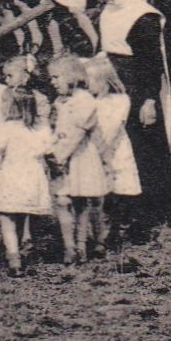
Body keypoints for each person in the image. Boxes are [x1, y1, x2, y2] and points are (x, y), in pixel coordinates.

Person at [95, 0, 171, 226]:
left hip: (138, 85)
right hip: (114, 80)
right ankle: (123, 202)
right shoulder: (109, 12)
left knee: (146, 144)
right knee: (118, 143)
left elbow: (150, 63)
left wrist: (149, 101)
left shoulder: (143, 17)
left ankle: (159, 208)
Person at [0, 88, 54, 275]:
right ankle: (22, 251)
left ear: (10, 106)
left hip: (11, 176)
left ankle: (13, 259)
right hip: (32, 177)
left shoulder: (8, 128)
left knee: (7, 219)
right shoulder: (41, 128)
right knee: (22, 215)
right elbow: (48, 150)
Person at [48, 54, 108, 264]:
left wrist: (60, 155)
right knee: (63, 201)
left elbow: (78, 133)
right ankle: (69, 247)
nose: (52, 82)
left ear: (72, 76)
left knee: (82, 202)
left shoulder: (85, 100)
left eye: (56, 77)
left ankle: (81, 245)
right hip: (62, 155)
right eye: (51, 78)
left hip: (80, 156)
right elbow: (57, 129)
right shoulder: (60, 101)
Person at [84, 56, 141, 246]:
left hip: (116, 150)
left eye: (90, 79)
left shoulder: (120, 100)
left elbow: (114, 126)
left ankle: (123, 228)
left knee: (122, 188)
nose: (86, 84)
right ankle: (104, 233)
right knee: (101, 192)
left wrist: (104, 150)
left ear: (103, 80)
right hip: (95, 151)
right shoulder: (87, 102)